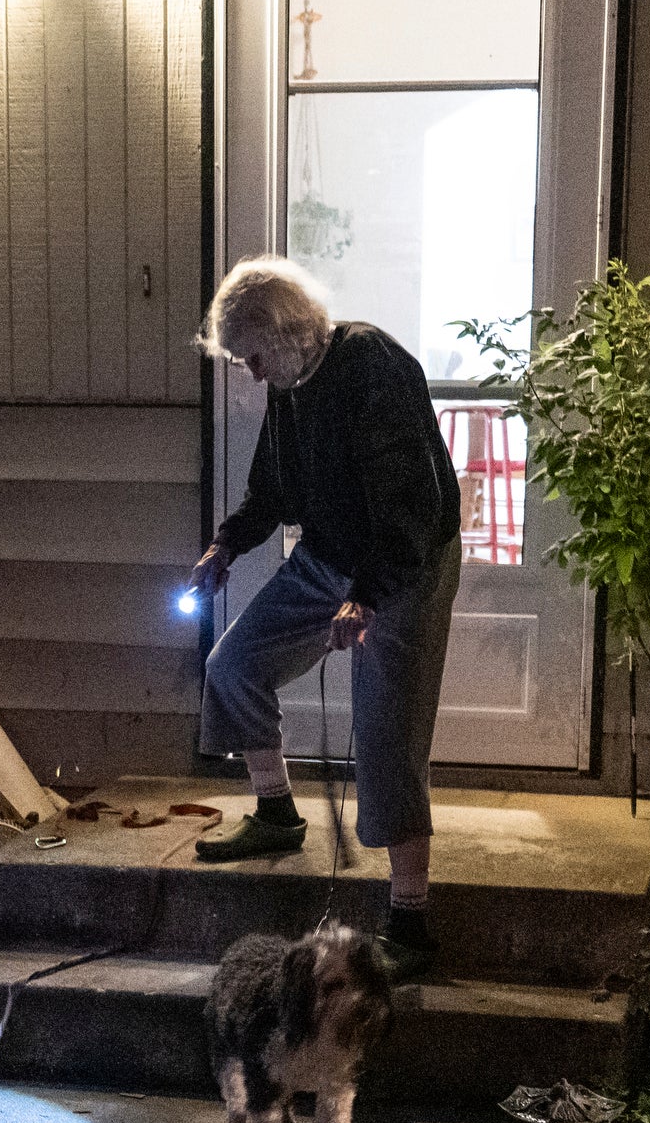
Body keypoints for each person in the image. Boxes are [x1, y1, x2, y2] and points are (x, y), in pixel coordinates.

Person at [187, 257, 462, 978]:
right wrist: (226, 543)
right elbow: (272, 487)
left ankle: (410, 920)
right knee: (234, 665)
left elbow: (409, 504)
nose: (248, 373)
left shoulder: (371, 365)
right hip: (331, 556)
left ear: (284, 332)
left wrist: (367, 596)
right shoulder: (291, 384)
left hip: (406, 561)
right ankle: (276, 811)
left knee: (385, 729)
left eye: (251, 356)